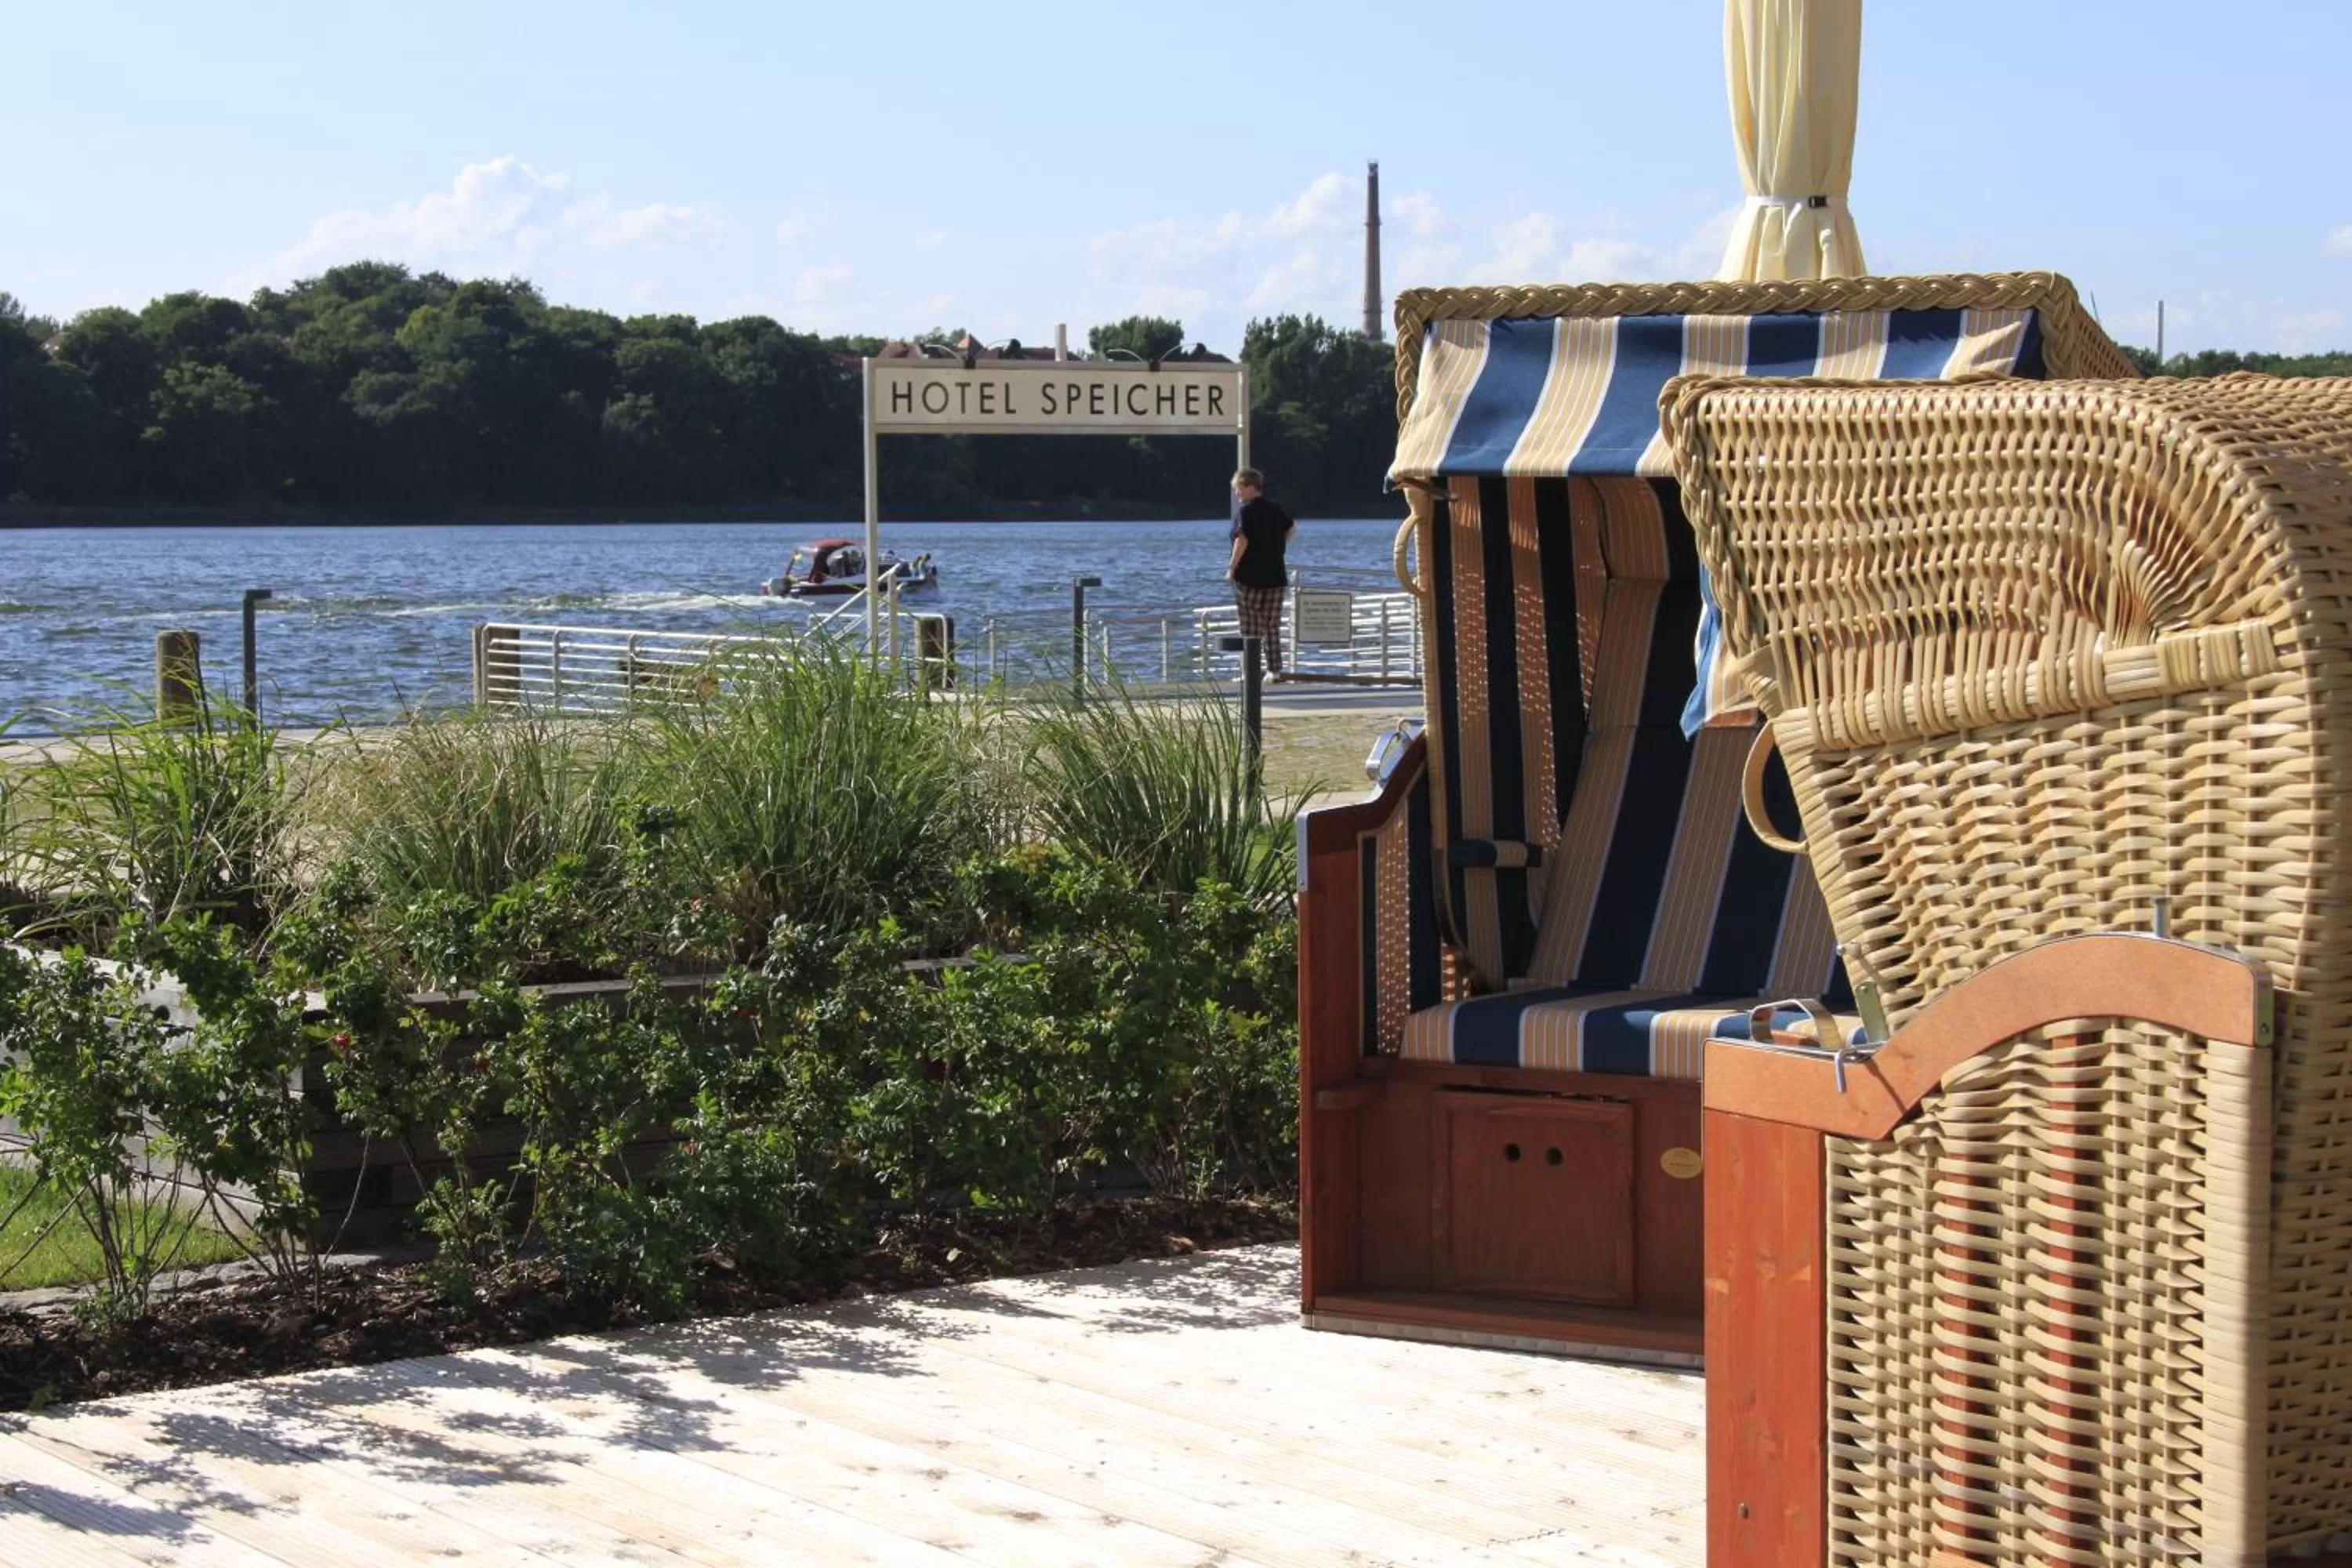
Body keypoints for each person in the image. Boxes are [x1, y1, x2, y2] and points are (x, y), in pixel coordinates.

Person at [1226, 467, 1295, 678]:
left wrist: (1231, 568)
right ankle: (1274, 670)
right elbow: (1292, 529)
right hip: (1275, 576)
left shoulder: (1245, 513)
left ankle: (1250, 671)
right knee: (1271, 625)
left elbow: (1242, 541)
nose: (1237, 494)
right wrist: (1276, 548)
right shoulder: (1276, 510)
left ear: (1249, 487)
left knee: (1250, 626)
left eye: (1239, 489)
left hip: (1249, 578)